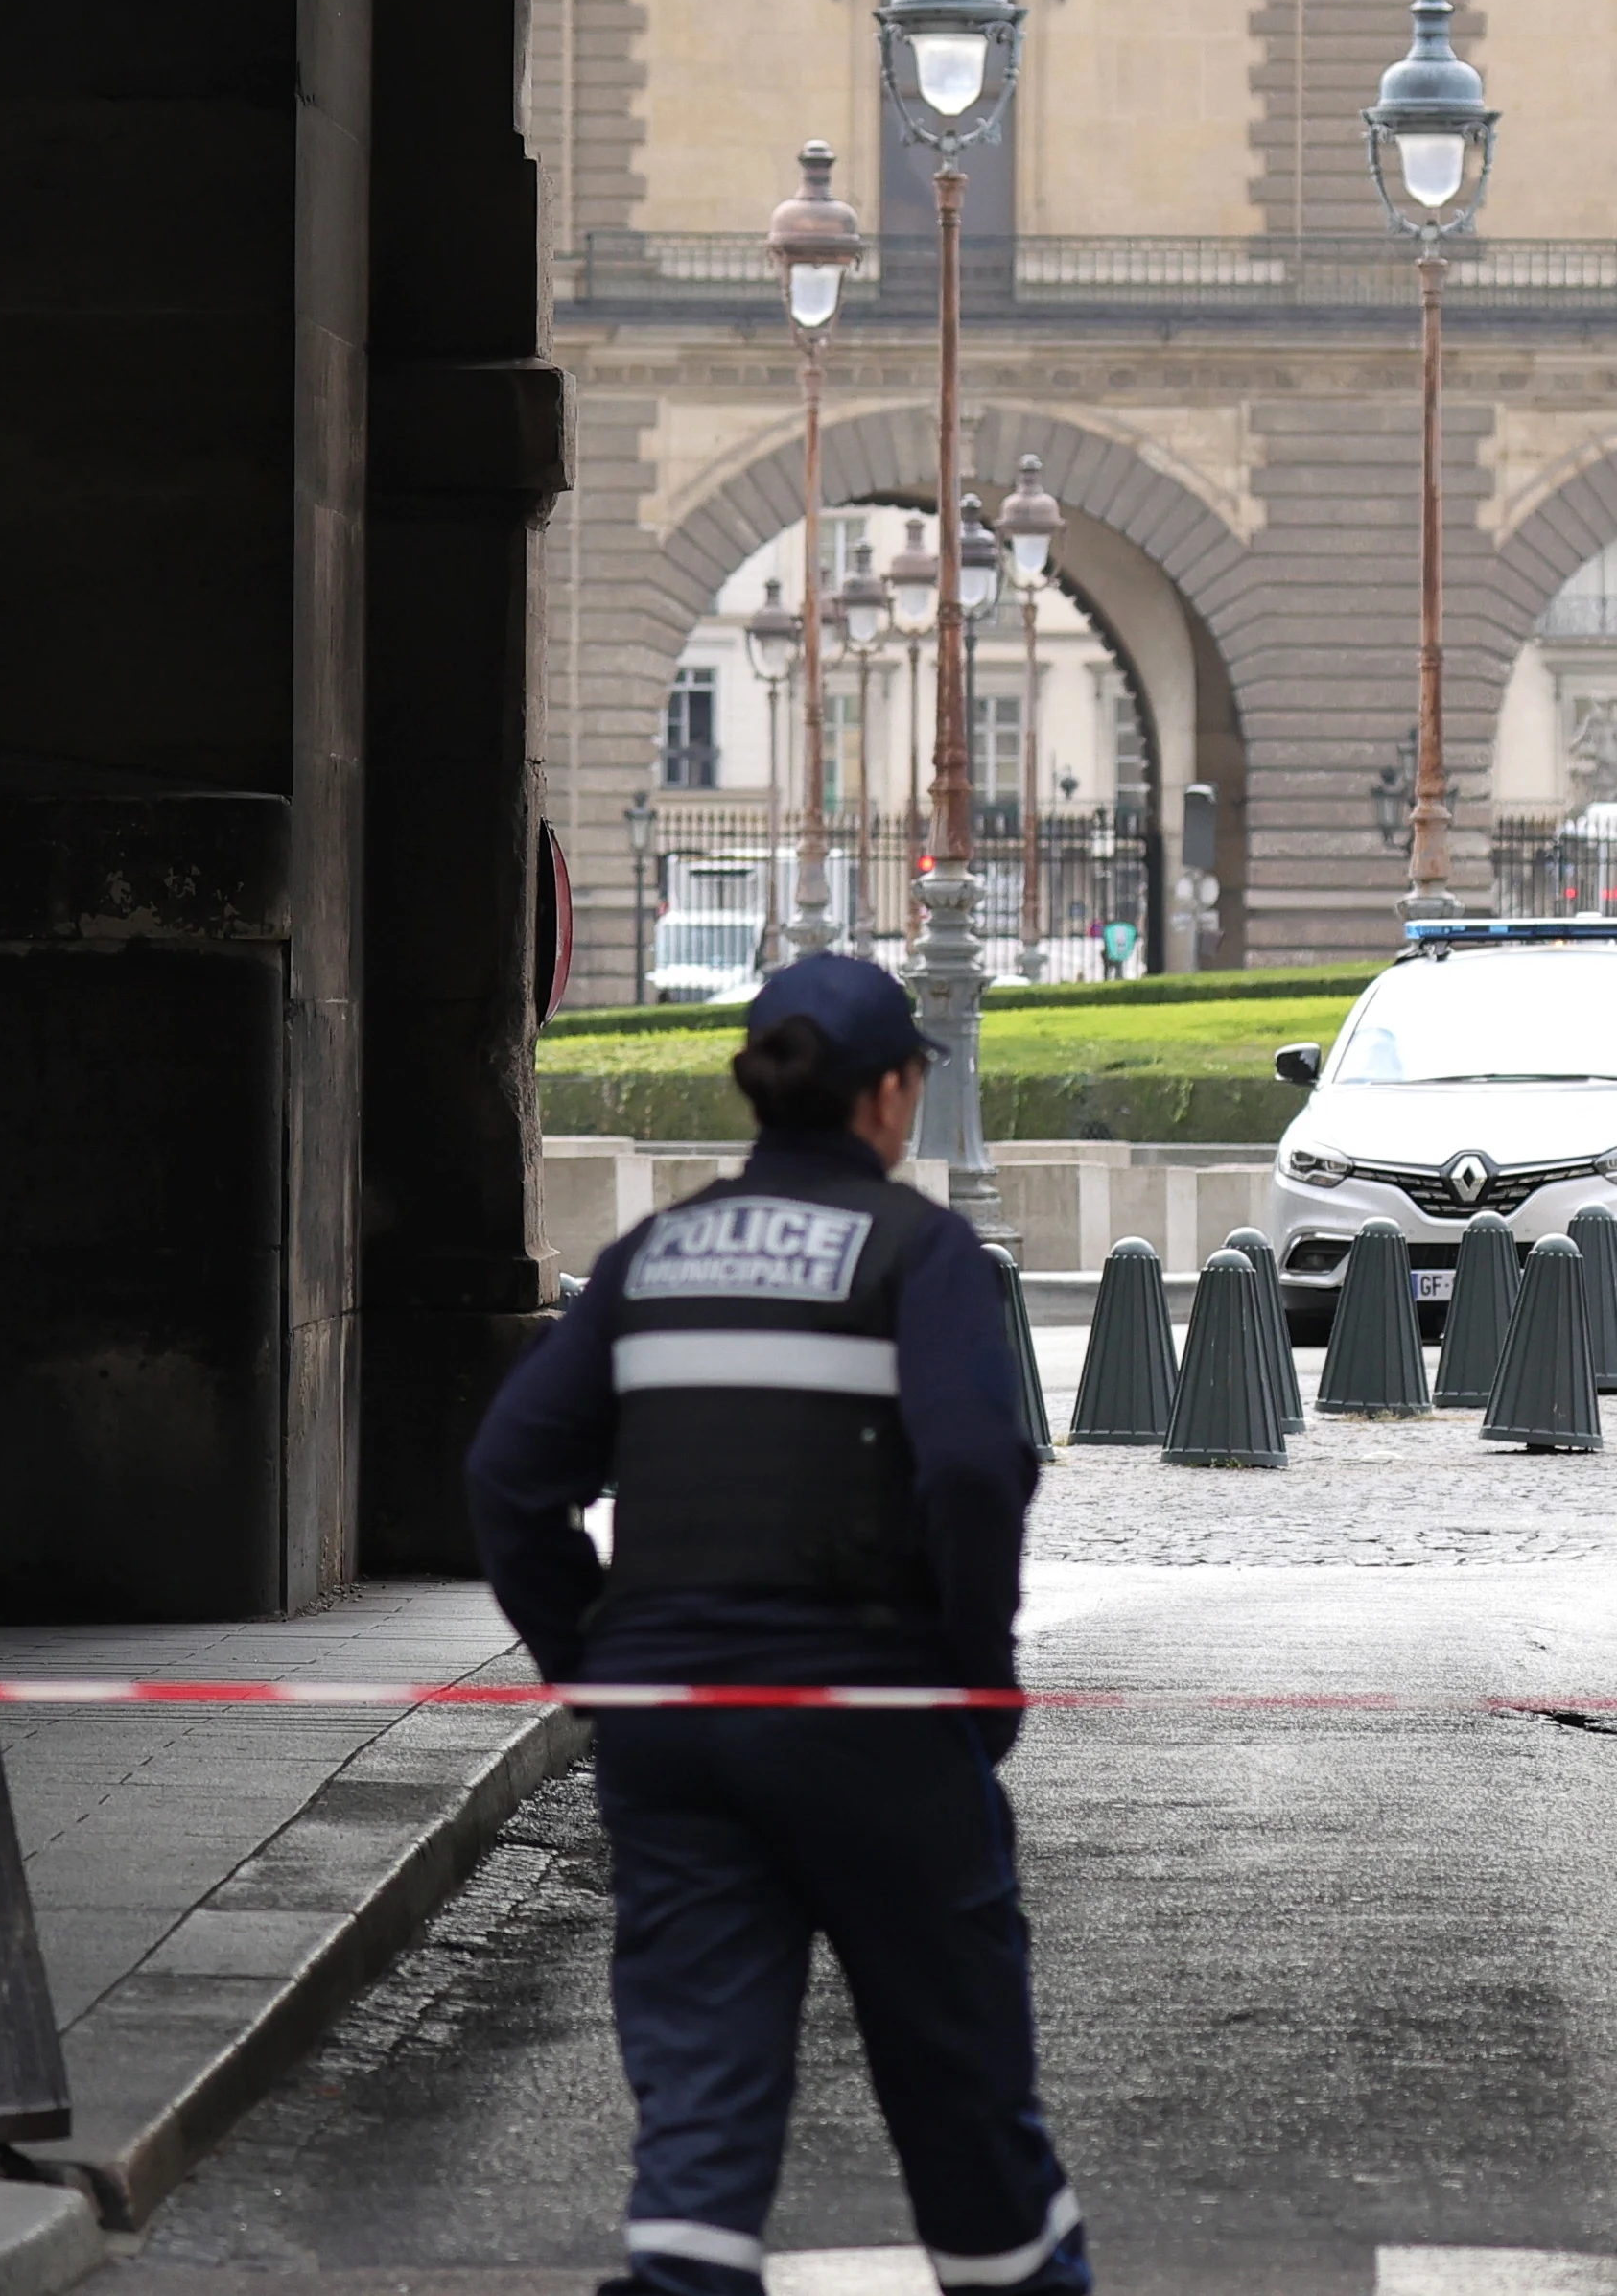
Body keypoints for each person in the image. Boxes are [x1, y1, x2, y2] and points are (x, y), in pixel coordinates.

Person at [465, 953, 1086, 2296]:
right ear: (893, 1094)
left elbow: (509, 1475)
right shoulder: (923, 1256)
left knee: (700, 2076)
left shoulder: (651, 1257)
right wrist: (978, 1683)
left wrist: (595, 1666)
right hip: (875, 1712)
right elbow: (977, 1465)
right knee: (956, 2063)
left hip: (672, 1728)